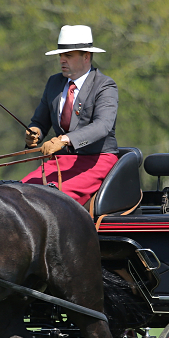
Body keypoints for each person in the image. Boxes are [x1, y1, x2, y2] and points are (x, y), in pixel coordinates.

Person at [22, 25, 119, 205]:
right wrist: (34, 133)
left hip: (96, 162)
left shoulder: (105, 85)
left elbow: (102, 126)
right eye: (60, 55)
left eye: (68, 55)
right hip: (60, 162)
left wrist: (65, 139)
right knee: (18, 193)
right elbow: (39, 122)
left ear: (86, 57)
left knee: (48, 200)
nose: (62, 60)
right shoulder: (54, 82)